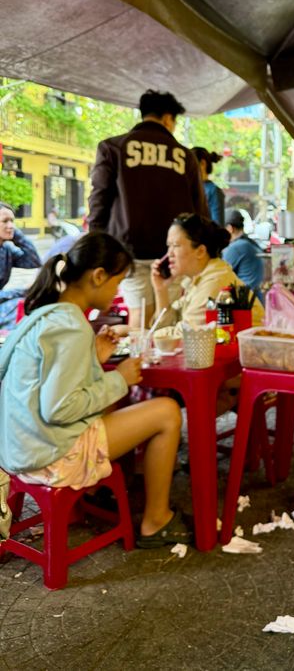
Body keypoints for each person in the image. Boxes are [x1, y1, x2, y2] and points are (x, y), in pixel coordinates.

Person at [0, 232, 191, 548]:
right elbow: (59, 408)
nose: (118, 290)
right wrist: (120, 378)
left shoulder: (45, 315)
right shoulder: (72, 327)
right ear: (98, 276)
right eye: (117, 282)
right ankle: (156, 520)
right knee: (167, 413)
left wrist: (93, 358)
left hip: (18, 447)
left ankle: (96, 491)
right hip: (49, 456)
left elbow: (49, 383)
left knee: (112, 405)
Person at [88, 89, 207, 330]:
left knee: (139, 322)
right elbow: (200, 212)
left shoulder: (113, 148)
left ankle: (138, 365)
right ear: (167, 118)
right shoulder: (185, 157)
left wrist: (96, 245)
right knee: (169, 322)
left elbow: (98, 200)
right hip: (173, 254)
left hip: (128, 250)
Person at [151, 213, 263, 338]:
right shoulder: (196, 280)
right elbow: (166, 325)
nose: (169, 254)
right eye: (169, 246)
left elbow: (185, 336)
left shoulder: (214, 281)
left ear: (200, 251)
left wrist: (139, 334)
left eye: (176, 246)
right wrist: (160, 290)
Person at [0, 202, 41, 330]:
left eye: (12, 221)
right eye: (5, 221)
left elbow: (33, 261)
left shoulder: (6, 249)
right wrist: (22, 291)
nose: (11, 226)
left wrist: (14, 235)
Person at [222, 208, 265, 303]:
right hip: (259, 301)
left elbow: (220, 276)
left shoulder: (236, 248)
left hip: (248, 305)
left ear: (229, 229)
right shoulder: (251, 243)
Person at [191, 147, 225, 226]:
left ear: (203, 164)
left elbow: (217, 227)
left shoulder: (213, 191)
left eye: (191, 164)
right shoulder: (189, 188)